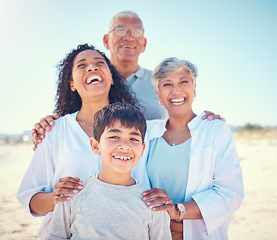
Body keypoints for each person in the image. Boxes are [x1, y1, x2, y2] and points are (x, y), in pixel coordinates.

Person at [31, 11, 224, 147]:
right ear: (106, 40)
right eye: (120, 30)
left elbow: (181, 114)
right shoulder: (88, 83)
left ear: (144, 43)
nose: (129, 37)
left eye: (137, 32)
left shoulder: (160, 83)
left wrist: (206, 123)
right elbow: (74, 122)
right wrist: (49, 124)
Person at [16, 44, 150, 240]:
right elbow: (30, 198)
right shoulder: (54, 131)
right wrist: (55, 198)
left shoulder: (141, 128)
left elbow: (182, 126)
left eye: (99, 63)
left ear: (112, 78)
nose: (92, 68)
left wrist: (210, 119)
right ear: (71, 84)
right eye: (82, 65)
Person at [140, 57, 244, 240]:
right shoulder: (145, 133)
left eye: (183, 82)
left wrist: (177, 212)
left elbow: (230, 193)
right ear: (158, 94)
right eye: (167, 84)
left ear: (194, 88)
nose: (176, 90)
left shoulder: (215, 130)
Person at [47, 102, 172, 239]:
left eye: (133, 138)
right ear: (95, 146)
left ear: (142, 149)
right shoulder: (72, 195)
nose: (125, 146)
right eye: (114, 137)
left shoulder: (154, 204)